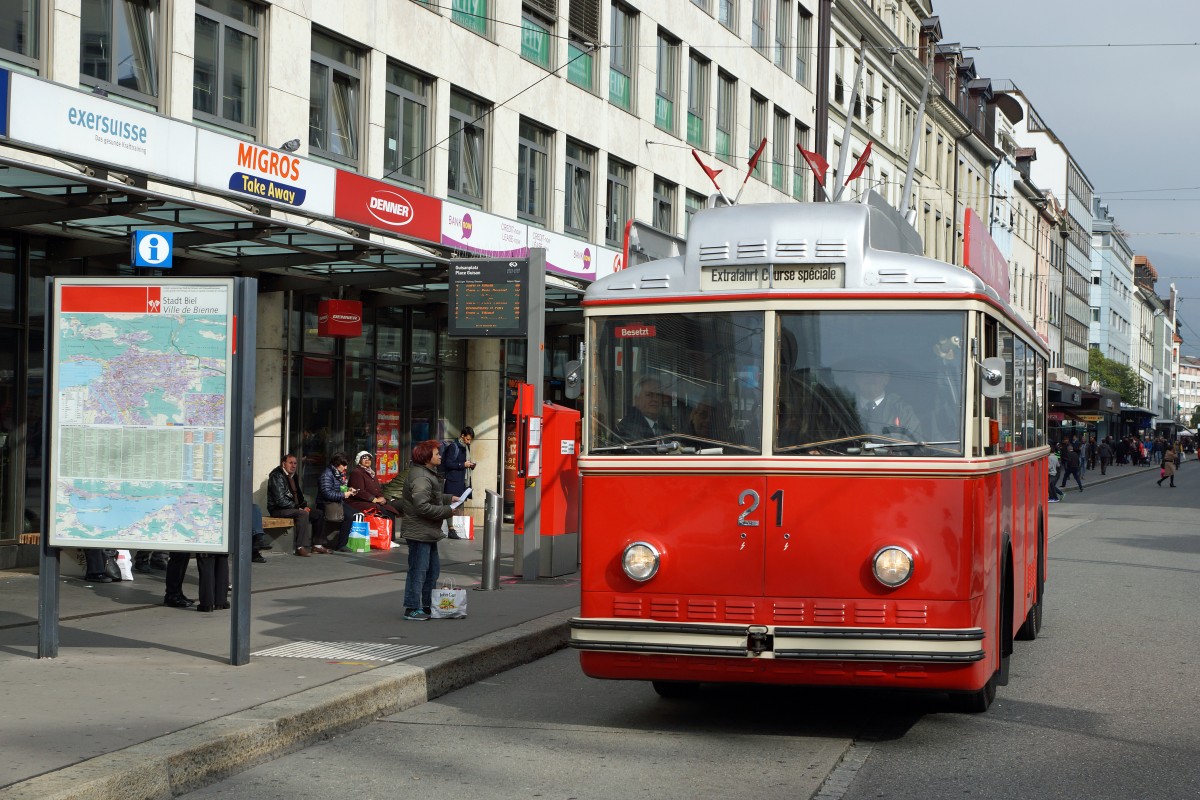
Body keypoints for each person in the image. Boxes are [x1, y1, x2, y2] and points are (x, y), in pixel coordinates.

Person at [398, 439, 456, 621]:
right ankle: (412, 608)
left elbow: (431, 496)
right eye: (437, 453)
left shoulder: (427, 474)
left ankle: (426, 605)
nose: (440, 456)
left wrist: (448, 498)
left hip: (427, 531)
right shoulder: (422, 477)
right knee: (418, 570)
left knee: (431, 570)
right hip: (420, 531)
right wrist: (447, 511)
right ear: (426, 458)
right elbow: (422, 506)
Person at [267, 453, 325, 556]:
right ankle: (300, 547)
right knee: (302, 514)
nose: (293, 466)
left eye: (295, 463)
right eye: (290, 463)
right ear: (283, 464)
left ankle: (317, 545)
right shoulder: (277, 476)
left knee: (318, 513)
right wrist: (299, 508)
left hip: (293, 507)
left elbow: (298, 495)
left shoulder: (293, 476)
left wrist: (303, 506)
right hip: (277, 509)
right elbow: (280, 500)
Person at [848, 360, 922, 440]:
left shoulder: (903, 410)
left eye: (877, 373)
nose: (870, 377)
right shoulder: (843, 408)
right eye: (865, 372)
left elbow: (916, 446)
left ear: (886, 379)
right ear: (856, 378)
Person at [316, 452, 357, 552]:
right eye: (344, 465)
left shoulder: (337, 473)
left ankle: (346, 541)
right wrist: (344, 495)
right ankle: (341, 544)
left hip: (336, 502)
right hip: (326, 504)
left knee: (356, 513)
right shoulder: (327, 474)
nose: (345, 467)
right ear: (337, 463)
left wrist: (348, 490)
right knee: (348, 516)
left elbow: (338, 487)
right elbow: (327, 493)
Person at [347, 451, 402, 520]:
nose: (367, 460)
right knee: (384, 513)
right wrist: (375, 499)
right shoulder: (357, 472)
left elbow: (377, 489)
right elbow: (359, 491)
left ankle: (389, 530)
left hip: (372, 502)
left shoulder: (371, 473)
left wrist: (381, 497)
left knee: (390, 512)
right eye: (364, 458)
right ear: (359, 460)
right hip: (360, 502)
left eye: (369, 458)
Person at [617, 376, 672, 441]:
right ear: (637, 399)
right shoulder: (626, 429)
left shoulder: (664, 427)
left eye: (658, 395)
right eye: (649, 394)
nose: (655, 399)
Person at [441, 427, 476, 498]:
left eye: (470, 440)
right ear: (462, 435)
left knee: (459, 506)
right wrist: (463, 464)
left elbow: (464, 461)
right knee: (453, 506)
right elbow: (448, 464)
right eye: (468, 439)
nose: (469, 442)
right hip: (453, 484)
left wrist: (470, 465)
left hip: (462, 482)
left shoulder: (465, 447)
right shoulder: (453, 446)